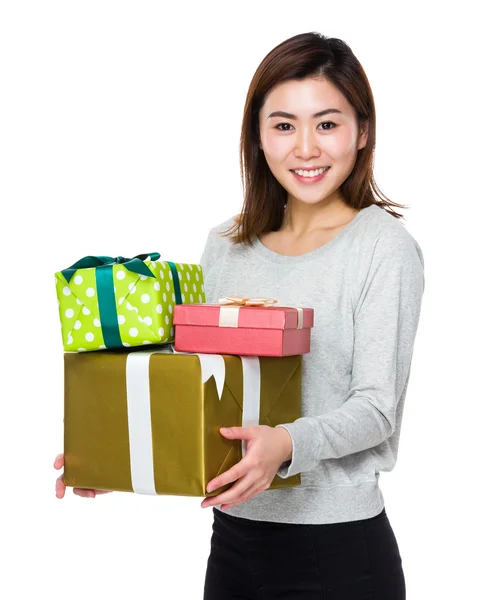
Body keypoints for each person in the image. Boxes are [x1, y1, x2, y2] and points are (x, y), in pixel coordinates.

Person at [55, 31, 425, 599]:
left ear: (363, 131)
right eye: (283, 125)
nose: (305, 148)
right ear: (257, 135)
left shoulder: (382, 248)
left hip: (339, 554)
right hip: (233, 547)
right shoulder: (227, 245)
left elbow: (376, 410)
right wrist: (116, 452)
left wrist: (285, 444)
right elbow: (197, 377)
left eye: (327, 123)